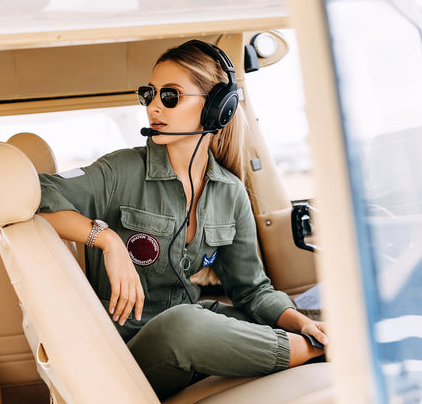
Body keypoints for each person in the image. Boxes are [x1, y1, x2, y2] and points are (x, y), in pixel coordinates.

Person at [37, 40, 328, 399]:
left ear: (217, 110)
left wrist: (302, 323)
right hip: (129, 353)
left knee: (220, 316)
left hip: (191, 329)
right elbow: (35, 196)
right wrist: (106, 239)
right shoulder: (121, 171)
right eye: (150, 95)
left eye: (171, 96)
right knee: (186, 324)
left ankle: (314, 341)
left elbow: (252, 290)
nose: (154, 107)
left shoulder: (230, 192)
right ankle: (317, 352)